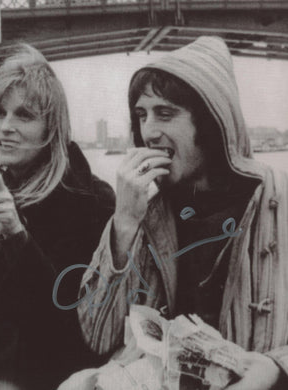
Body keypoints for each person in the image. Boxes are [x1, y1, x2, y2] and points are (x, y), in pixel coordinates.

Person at [75, 36, 288, 389]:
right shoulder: (149, 213)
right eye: (142, 115)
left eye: (166, 114)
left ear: (210, 122)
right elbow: (98, 335)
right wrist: (125, 223)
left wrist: (276, 367)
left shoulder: (277, 198)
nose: (149, 133)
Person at [0, 44, 116, 390]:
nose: (5, 127)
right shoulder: (2, 188)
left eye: (24, 115)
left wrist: (16, 234)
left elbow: (76, 321)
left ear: (51, 129)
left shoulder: (91, 202)